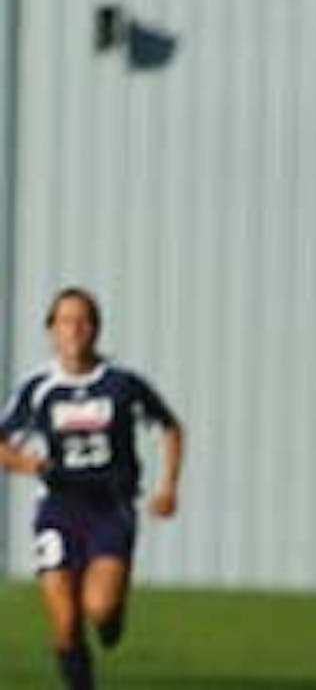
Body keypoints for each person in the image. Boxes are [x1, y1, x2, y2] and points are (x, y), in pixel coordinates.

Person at [0, 287, 185, 690]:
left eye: (84, 320)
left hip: (109, 508)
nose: (75, 329)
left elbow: (170, 427)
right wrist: (27, 463)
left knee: (98, 609)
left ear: (96, 329)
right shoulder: (38, 388)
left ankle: (112, 614)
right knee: (65, 623)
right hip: (57, 507)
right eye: (66, 320)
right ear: (51, 330)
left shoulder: (121, 385)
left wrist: (168, 487)